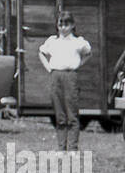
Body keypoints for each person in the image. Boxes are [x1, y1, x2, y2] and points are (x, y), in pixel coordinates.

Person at [38, 11, 92, 150]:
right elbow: (41, 53)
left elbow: (88, 53)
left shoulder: (78, 42)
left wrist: (78, 64)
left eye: (66, 24)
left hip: (70, 77)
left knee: (72, 114)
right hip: (56, 76)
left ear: (72, 25)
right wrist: (49, 68)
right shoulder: (52, 41)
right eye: (60, 24)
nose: (63, 27)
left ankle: (73, 148)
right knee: (60, 115)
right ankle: (61, 148)